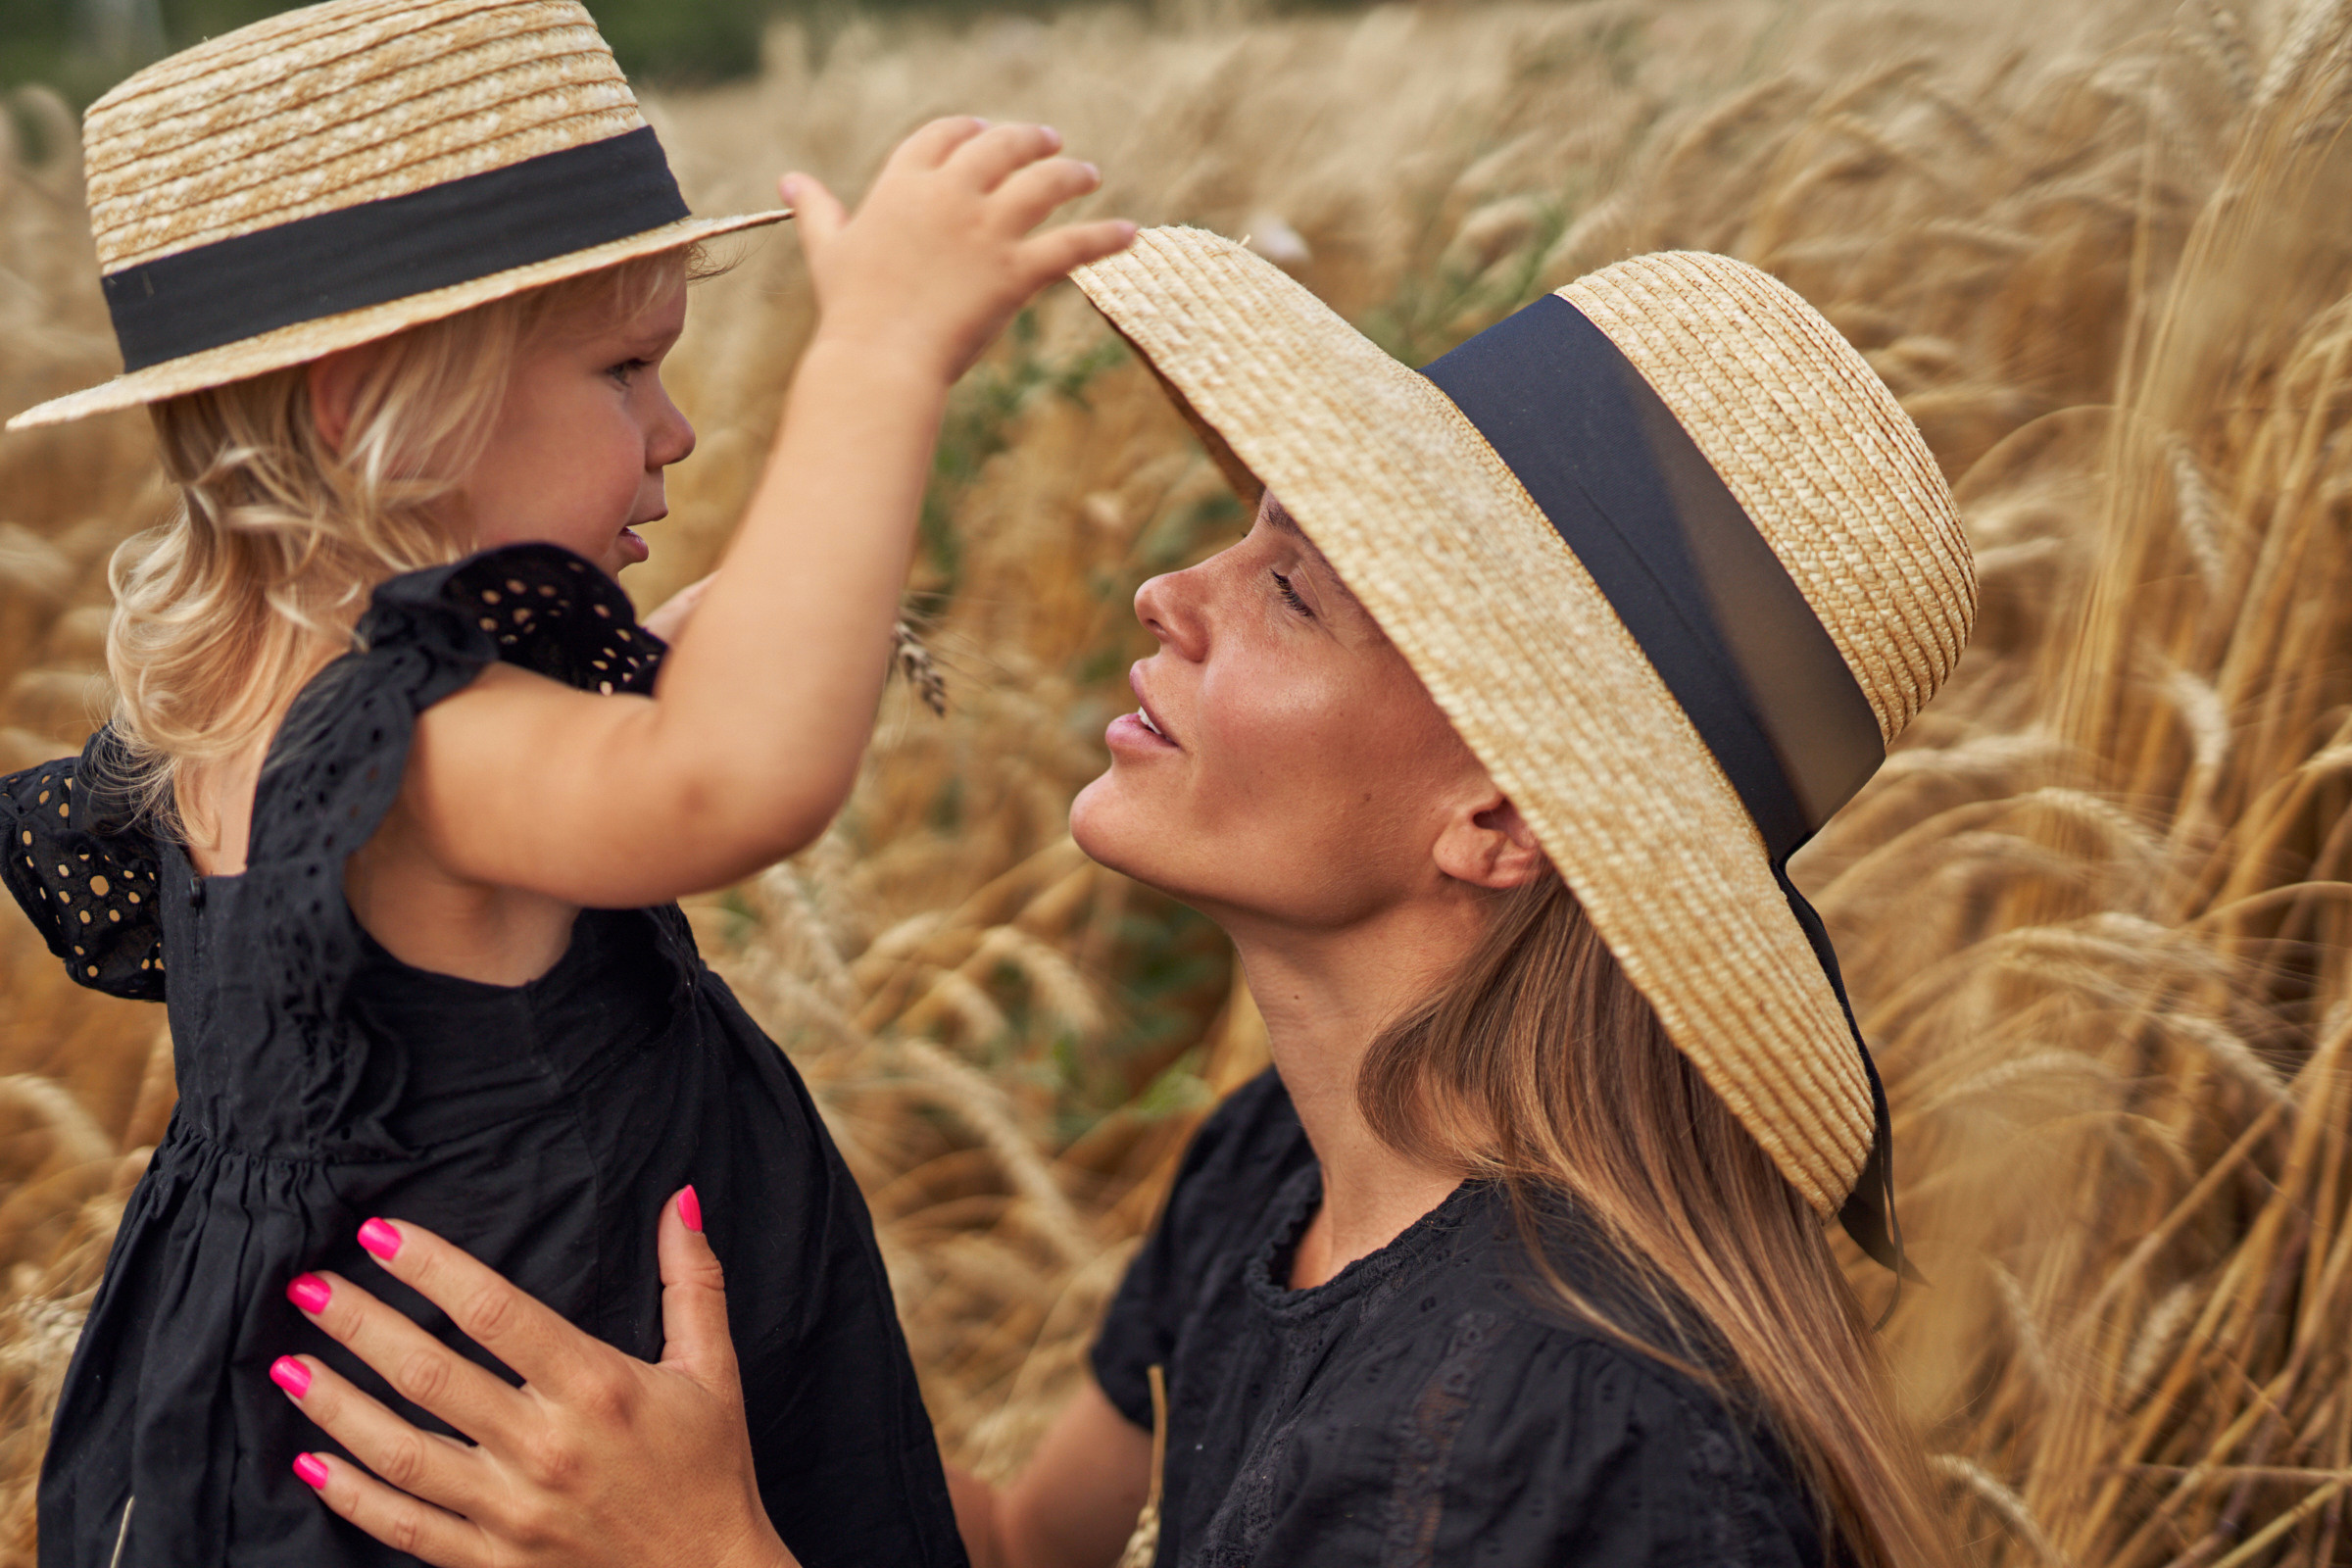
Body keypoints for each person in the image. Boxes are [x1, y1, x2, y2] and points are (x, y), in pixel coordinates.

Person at [269, 230, 1976, 1568]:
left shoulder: (1570, 1434)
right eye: (1246, 537)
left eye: (1295, 591)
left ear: (1500, 816)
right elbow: (1018, 1549)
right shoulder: (1291, 1164)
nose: (1172, 592)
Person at [0, 1, 1133, 1563]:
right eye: (624, 368)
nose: (676, 432)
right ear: (371, 411)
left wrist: (764, 609)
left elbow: (650, 709)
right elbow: (729, 778)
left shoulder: (262, 709)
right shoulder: (427, 749)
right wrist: (880, 352)